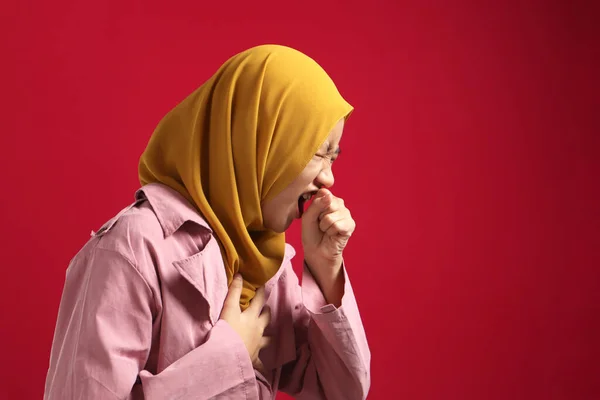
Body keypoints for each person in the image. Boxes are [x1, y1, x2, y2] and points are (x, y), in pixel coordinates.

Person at [44, 44, 370, 399]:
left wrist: (327, 267)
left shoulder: (267, 265)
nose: (329, 179)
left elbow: (341, 392)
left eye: (334, 157)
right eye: (319, 152)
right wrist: (226, 362)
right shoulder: (134, 246)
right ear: (262, 140)